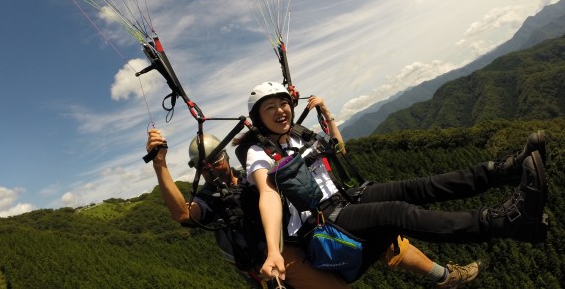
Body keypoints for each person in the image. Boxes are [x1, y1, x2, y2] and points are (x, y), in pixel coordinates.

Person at [235, 81, 548, 286]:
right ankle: (507, 221)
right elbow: (268, 194)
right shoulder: (259, 153)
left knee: (418, 186)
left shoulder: (300, 133)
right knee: (396, 212)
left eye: (283, 103)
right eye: (270, 107)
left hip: (346, 197)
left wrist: (326, 112)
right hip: (324, 219)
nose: (281, 110)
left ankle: (506, 170)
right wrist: (275, 249)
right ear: (259, 118)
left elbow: (339, 148)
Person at [146, 129, 479, 288]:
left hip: (303, 230)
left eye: (214, 161)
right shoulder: (210, 200)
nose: (210, 169)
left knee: (388, 239)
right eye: (202, 166)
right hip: (277, 257)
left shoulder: (251, 176)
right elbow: (183, 215)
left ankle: (445, 277)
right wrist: (161, 166)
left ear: (225, 158)